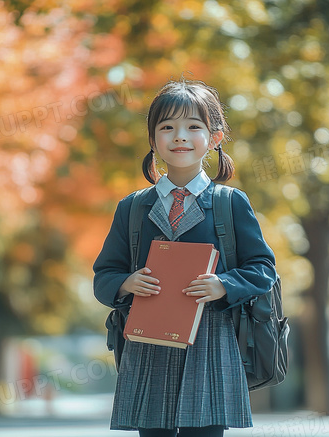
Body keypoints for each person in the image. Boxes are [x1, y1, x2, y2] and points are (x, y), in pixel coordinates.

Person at [92, 78, 278, 437]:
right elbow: (104, 277)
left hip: (211, 343)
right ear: (153, 139)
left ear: (215, 137)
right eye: (168, 127)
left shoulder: (229, 203)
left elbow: (263, 268)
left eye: (194, 126)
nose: (180, 136)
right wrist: (126, 283)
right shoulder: (132, 208)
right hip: (148, 344)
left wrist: (224, 284)